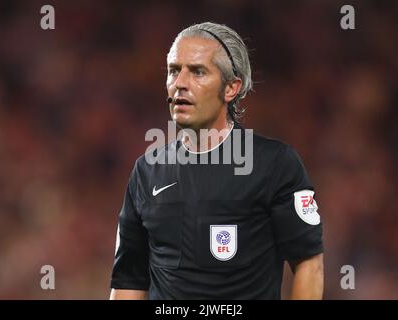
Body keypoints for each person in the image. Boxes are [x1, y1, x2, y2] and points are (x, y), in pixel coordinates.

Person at [110, 22, 324, 300]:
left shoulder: (275, 165)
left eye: (198, 72)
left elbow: (309, 265)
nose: (180, 84)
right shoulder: (146, 171)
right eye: (174, 71)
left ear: (231, 88)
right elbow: (129, 281)